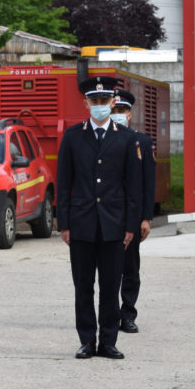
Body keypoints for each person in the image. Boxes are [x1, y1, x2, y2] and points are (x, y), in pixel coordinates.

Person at [56, 76, 141, 361]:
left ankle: (108, 341)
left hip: (114, 225)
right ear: (86, 103)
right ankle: (86, 341)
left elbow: (133, 187)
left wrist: (131, 225)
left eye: (105, 101)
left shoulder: (126, 138)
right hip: (81, 223)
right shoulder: (72, 136)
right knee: (83, 286)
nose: (100, 106)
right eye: (95, 101)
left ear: (113, 102)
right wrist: (63, 223)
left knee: (109, 286)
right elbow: (64, 181)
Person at [112, 88, 155, 334]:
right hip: (108, 215)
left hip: (132, 215)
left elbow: (148, 184)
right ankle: (109, 313)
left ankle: (128, 313)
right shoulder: (102, 141)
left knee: (130, 268)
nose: (118, 114)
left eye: (122, 110)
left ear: (130, 114)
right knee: (109, 269)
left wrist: (146, 217)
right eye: (114, 110)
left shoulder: (142, 142)